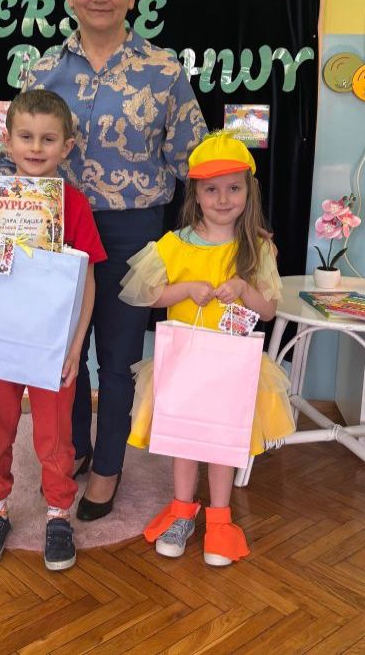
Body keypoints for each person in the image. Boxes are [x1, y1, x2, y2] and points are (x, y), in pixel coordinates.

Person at [0, 0, 207, 520]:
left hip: (131, 233)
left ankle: (107, 467)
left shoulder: (163, 71)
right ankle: (70, 450)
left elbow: (195, 162)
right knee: (57, 353)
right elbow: (16, 150)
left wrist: (241, 224)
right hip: (49, 230)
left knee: (116, 358)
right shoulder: (44, 68)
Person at [119, 131, 295, 566]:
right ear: (196, 194)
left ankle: (219, 519)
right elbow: (146, 295)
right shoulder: (175, 244)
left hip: (231, 370)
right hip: (185, 365)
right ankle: (182, 512)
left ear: (248, 191)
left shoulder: (257, 248)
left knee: (223, 443)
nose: (223, 199)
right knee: (185, 441)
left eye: (233, 188)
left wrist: (244, 290)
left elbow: (269, 310)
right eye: (211, 190)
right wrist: (185, 289)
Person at [0, 90, 107, 571]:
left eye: (48, 139)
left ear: (67, 146)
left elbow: (87, 279)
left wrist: (76, 346)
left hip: (51, 343)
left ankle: (59, 514)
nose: (36, 148)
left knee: (55, 435)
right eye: (26, 137)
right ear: (8, 141)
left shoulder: (74, 205)